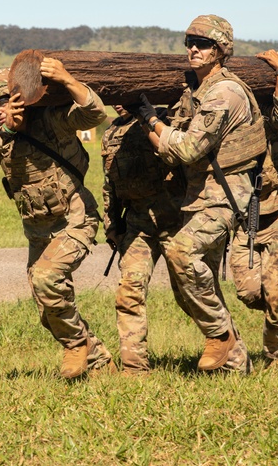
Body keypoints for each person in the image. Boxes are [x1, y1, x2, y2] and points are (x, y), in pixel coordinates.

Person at [130, 14, 265, 375]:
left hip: (226, 195)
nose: (193, 48)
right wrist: (147, 123)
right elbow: (172, 150)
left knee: (180, 252)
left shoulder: (224, 93)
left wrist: (153, 121)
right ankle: (236, 364)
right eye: (189, 42)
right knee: (187, 283)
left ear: (220, 49)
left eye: (202, 43)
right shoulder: (198, 91)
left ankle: (220, 335)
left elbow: (188, 149)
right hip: (199, 195)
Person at [0, 60, 115, 379]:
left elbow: (95, 113)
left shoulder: (51, 120)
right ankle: (101, 361)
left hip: (76, 219)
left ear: (20, 97)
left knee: (46, 279)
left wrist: (65, 77)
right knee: (48, 313)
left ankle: (76, 344)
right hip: (37, 231)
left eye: (3, 101)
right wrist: (8, 129)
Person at [227, 49, 278, 370]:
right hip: (245, 219)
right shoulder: (229, 118)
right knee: (248, 293)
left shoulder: (272, 118)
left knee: (274, 292)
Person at [101, 104, 185, 375]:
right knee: (129, 292)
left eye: (126, 95)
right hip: (137, 223)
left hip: (177, 220)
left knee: (192, 293)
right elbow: (110, 183)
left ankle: (228, 349)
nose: (118, 101)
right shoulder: (111, 133)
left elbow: (182, 157)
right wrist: (112, 222)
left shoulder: (163, 120)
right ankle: (135, 369)